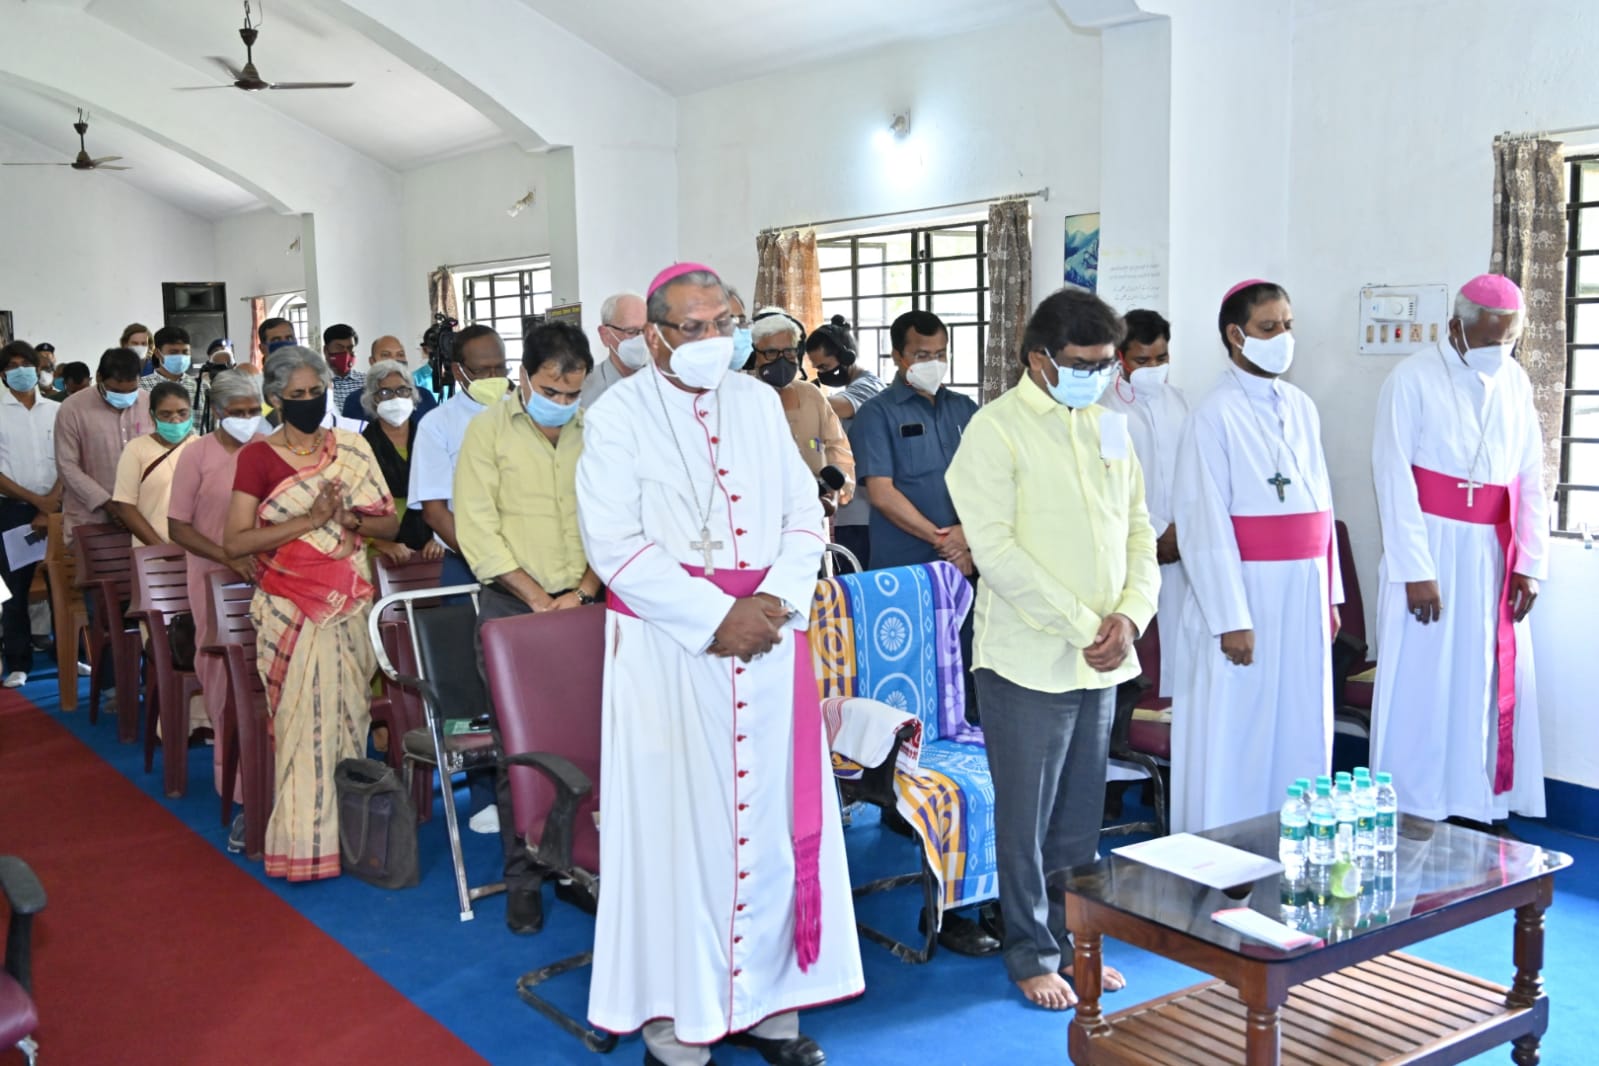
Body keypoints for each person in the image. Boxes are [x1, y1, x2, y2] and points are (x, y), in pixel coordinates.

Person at [577, 263, 862, 1066]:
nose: (714, 340)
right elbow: (615, 544)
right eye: (693, 326)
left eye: (724, 322)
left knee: (770, 820)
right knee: (679, 830)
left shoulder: (755, 403)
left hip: (769, 644)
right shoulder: (617, 416)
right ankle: (675, 1015)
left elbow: (802, 512)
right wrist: (713, 618)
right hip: (667, 654)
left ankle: (773, 1003)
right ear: (654, 335)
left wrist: (770, 604)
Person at [947, 287, 1158, 1011]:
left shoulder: (1108, 426)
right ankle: (1030, 951)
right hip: (1026, 657)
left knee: (1078, 815)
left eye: (1106, 363)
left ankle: (1077, 943)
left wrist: (1129, 617)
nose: (1097, 375)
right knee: (1027, 817)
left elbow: (1137, 531)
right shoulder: (994, 430)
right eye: (1081, 363)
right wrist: (1082, 626)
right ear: (1038, 359)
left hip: (1103, 652)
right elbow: (995, 552)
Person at [1370, 273, 1548, 828]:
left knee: (1482, 679)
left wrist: (1530, 563)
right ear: (1456, 327)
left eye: (1508, 340)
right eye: (1490, 339)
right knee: (1425, 679)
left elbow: (1531, 477)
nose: (1500, 352)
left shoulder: (1515, 382)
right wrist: (1415, 569)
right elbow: (1392, 476)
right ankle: (1416, 801)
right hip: (1430, 548)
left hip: (1493, 554)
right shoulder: (1412, 378)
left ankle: (1478, 801)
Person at [1169, 280, 1343, 834]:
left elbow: (1322, 507)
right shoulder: (1212, 415)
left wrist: (1331, 594)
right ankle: (1225, 846)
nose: (1283, 337)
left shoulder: (1302, 406)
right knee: (1239, 726)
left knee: (1300, 721)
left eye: (1288, 325)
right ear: (1236, 335)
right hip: (1246, 594)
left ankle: (1293, 837)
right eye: (1270, 328)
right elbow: (1203, 524)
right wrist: (1230, 618)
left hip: (1304, 592)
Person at [223, 345, 399, 882]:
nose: (307, 402)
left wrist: (348, 517)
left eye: (315, 393)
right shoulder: (256, 457)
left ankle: (350, 836)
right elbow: (235, 542)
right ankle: (304, 845)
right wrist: (309, 520)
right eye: (295, 396)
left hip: (349, 605)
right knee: (303, 727)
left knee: (348, 718)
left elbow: (391, 526)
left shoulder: (352, 448)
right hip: (289, 610)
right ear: (274, 399)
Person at [456, 320, 601, 933]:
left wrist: (585, 589)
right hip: (516, 610)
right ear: (523, 377)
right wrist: (540, 599)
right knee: (523, 748)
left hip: (591, 602)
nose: (563, 404)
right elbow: (476, 528)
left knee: (599, 735)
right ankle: (524, 878)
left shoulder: (596, 432)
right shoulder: (486, 434)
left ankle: (591, 860)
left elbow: (619, 514)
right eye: (551, 390)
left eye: (573, 394)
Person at [168, 369, 264, 848]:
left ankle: (273, 780)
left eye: (255, 411)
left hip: (265, 579)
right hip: (213, 579)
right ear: (219, 411)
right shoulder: (197, 454)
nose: (249, 420)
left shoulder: (267, 448)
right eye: (239, 413)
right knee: (227, 686)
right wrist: (229, 556)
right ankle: (242, 792)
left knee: (268, 680)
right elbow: (178, 527)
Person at [1099, 309, 1190, 694]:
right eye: (1142, 360)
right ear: (1120, 357)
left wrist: (1182, 530)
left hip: (1183, 542)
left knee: (1182, 642)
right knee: (1135, 641)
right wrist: (1156, 531)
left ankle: (1173, 726)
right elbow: (1110, 483)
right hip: (1134, 543)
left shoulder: (1181, 402)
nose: (1154, 367)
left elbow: (1194, 472)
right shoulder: (1106, 410)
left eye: (1161, 358)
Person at [848, 310, 979, 573]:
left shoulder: (965, 408)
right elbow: (882, 494)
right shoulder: (876, 414)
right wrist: (946, 542)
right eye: (922, 356)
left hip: (969, 560)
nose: (934, 362)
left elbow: (990, 481)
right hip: (905, 567)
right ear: (898, 356)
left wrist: (967, 534)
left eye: (941, 354)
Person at [408, 324, 510, 587]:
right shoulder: (437, 424)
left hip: (530, 558)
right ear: (458, 371)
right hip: (466, 561)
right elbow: (435, 512)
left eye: (500, 368)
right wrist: (490, 562)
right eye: (482, 370)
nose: (492, 376)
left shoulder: (524, 412)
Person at [749, 308, 855, 515]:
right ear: (753, 356)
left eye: (789, 351)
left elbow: (838, 448)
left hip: (812, 517)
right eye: (771, 352)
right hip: (759, 518)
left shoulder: (811, 395)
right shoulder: (739, 399)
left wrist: (832, 494)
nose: (782, 359)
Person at [0, 341, 63, 688]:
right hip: (11, 509)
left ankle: (70, 653)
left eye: (27, 363)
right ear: (3, 373)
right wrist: (37, 503)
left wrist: (52, 502)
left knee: (62, 584)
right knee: (14, 589)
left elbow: (69, 460)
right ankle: (19, 662)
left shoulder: (56, 410)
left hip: (58, 506)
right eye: (13, 365)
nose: (21, 369)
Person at [806, 316, 884, 570]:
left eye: (825, 366)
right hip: (850, 513)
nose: (823, 373)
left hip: (865, 515)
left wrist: (796, 396)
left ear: (846, 357)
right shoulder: (851, 387)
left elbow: (839, 406)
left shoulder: (869, 385)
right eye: (817, 368)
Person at [54, 347, 153, 540]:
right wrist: (109, 504)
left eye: (131, 390)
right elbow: (67, 466)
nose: (125, 396)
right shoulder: (72, 408)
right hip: (91, 520)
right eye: (116, 390)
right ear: (99, 377)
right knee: (99, 570)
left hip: (145, 517)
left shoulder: (149, 403)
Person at [355, 360, 439, 565]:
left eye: (403, 390)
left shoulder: (431, 439)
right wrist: (381, 544)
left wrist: (440, 538)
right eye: (385, 393)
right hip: (382, 551)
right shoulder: (360, 447)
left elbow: (447, 493)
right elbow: (350, 511)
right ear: (373, 400)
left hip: (431, 546)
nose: (396, 398)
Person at [108, 381, 197, 547]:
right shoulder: (136, 449)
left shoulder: (202, 447)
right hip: (153, 557)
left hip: (199, 552)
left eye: (182, 413)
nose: (175, 420)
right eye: (166, 414)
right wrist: (160, 548)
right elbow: (126, 507)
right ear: (152, 415)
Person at [340, 336, 436, 420]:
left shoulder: (424, 397)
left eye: (400, 354)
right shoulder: (356, 401)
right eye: (385, 355)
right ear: (372, 361)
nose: (394, 360)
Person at [580, 291, 649, 407]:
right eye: (631, 331)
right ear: (605, 335)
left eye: (646, 330)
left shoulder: (668, 385)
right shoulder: (582, 392)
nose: (641, 339)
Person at [139, 325, 200, 406]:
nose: (181, 358)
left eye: (185, 352)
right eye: (173, 352)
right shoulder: (141, 388)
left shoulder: (201, 387)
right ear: (157, 353)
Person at [323, 324, 365, 415]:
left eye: (350, 348)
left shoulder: (366, 382)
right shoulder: (318, 382)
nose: (346, 353)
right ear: (326, 351)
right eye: (339, 348)